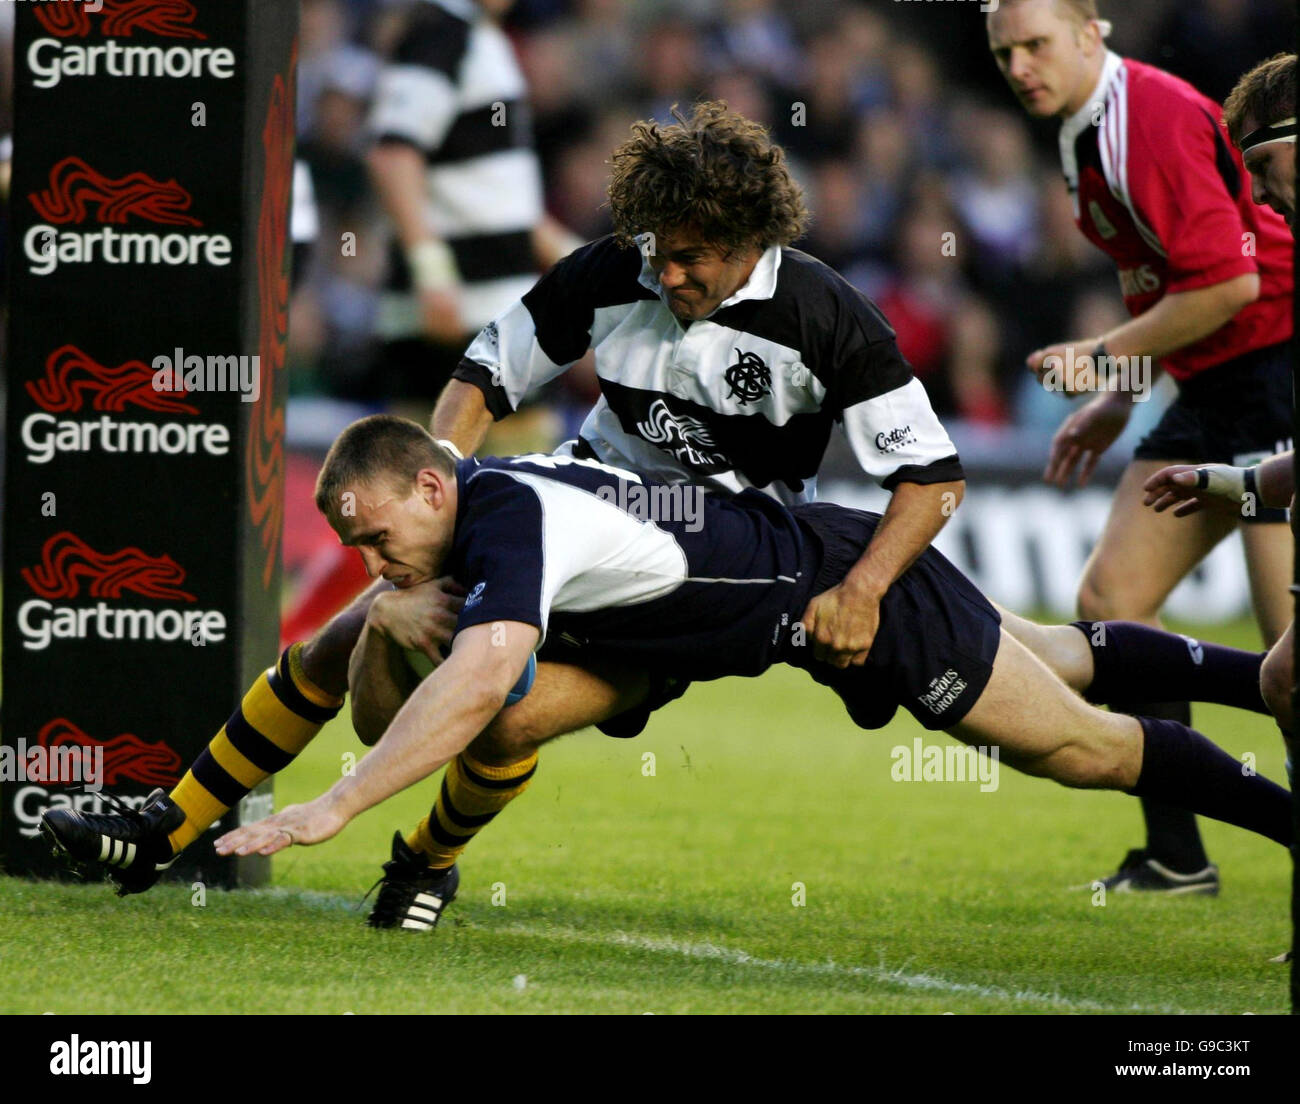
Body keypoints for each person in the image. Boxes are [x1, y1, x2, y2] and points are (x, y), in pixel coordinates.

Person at [40, 103, 969, 913]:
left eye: (692, 259)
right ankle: (170, 826)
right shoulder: (612, 274)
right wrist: (443, 504)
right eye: (658, 250)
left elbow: (931, 475)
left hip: (709, 558)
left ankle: (426, 861)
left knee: (509, 713)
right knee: (352, 632)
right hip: (579, 500)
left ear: (751, 240)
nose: (669, 275)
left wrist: (868, 588)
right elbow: (486, 375)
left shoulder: (828, 316)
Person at [42, 417, 1296, 931]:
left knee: (1073, 737)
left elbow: (480, 677)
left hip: (833, 590)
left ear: (434, 486)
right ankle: (178, 827)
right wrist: (203, 807)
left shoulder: (506, 525)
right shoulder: (469, 523)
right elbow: (426, 658)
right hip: (690, 631)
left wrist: (337, 802)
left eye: (374, 533)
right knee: (369, 641)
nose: (369, 556)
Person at [987, 0, 1295, 894]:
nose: (1019, 66)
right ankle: (1177, 855)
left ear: (1092, 32)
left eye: (1037, 44)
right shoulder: (1084, 135)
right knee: (1112, 600)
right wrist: (1119, 401)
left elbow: (1234, 282)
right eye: (1005, 52)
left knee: (1289, 659)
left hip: (1273, 363)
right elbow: (1168, 280)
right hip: (1210, 382)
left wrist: (1100, 356)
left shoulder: (1145, 118)